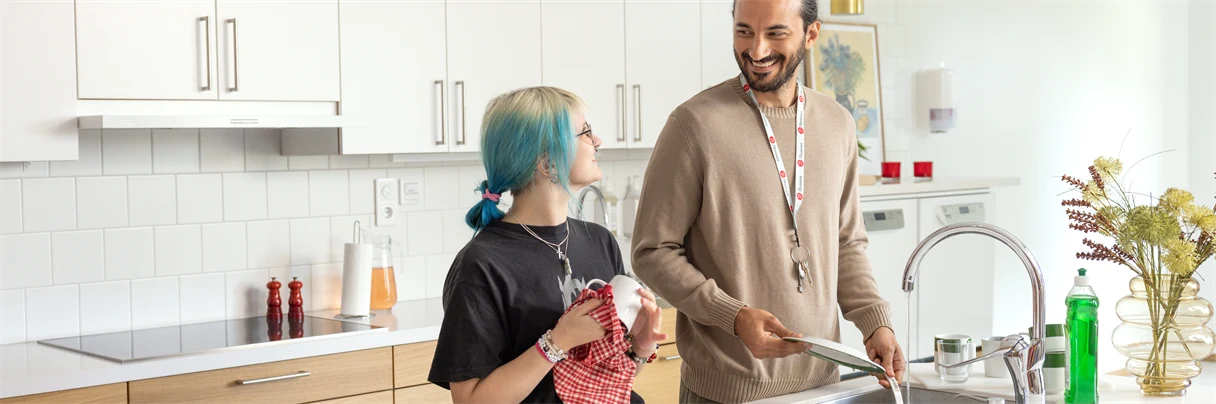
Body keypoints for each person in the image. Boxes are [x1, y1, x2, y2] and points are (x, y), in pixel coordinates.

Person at [629, 0, 905, 403]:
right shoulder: (694, 125)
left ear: (811, 34)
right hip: (726, 392)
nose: (756, 51)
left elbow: (846, 243)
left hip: (823, 384)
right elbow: (652, 251)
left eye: (775, 33)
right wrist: (734, 317)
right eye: (744, 32)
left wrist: (874, 322)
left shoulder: (837, 123)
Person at [428, 86, 668, 404]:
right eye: (585, 133)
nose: (597, 141)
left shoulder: (600, 242)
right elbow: (470, 400)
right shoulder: (481, 264)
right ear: (546, 162)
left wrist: (640, 348)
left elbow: (601, 384)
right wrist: (558, 341)